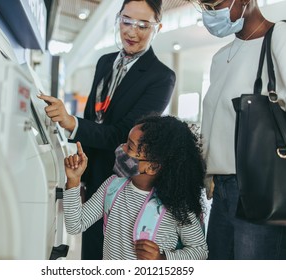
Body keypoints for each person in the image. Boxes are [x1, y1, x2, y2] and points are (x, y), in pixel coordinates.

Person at [38, 0, 175, 260]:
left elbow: (123, 134)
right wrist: (80, 175)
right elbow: (95, 117)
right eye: (126, 21)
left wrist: (72, 123)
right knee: (90, 251)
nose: (131, 32)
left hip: (125, 184)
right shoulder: (105, 63)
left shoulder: (161, 77)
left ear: (158, 27)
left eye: (143, 25)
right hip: (94, 177)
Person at [188, 0, 286, 259]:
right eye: (205, 7)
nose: (211, 13)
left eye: (216, 4)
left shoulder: (283, 37)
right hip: (223, 191)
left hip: (266, 187)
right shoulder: (221, 57)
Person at [62, 115, 208, 260]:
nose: (121, 148)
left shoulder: (177, 205)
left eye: (130, 147)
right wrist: (73, 180)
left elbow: (200, 251)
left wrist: (163, 259)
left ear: (152, 167)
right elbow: (75, 225)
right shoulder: (111, 187)